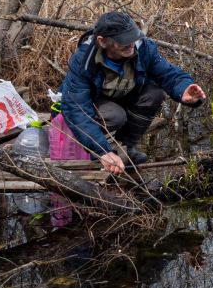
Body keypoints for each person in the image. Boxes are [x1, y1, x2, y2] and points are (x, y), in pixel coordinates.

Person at [59, 10, 205, 173]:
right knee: (115, 116)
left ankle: (126, 148)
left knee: (154, 94)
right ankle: (101, 151)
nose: (131, 44)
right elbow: (76, 108)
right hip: (96, 104)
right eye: (123, 40)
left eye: (133, 37)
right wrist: (102, 150)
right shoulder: (83, 60)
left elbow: (168, 74)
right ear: (102, 41)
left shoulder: (144, 48)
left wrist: (183, 89)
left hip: (123, 96)